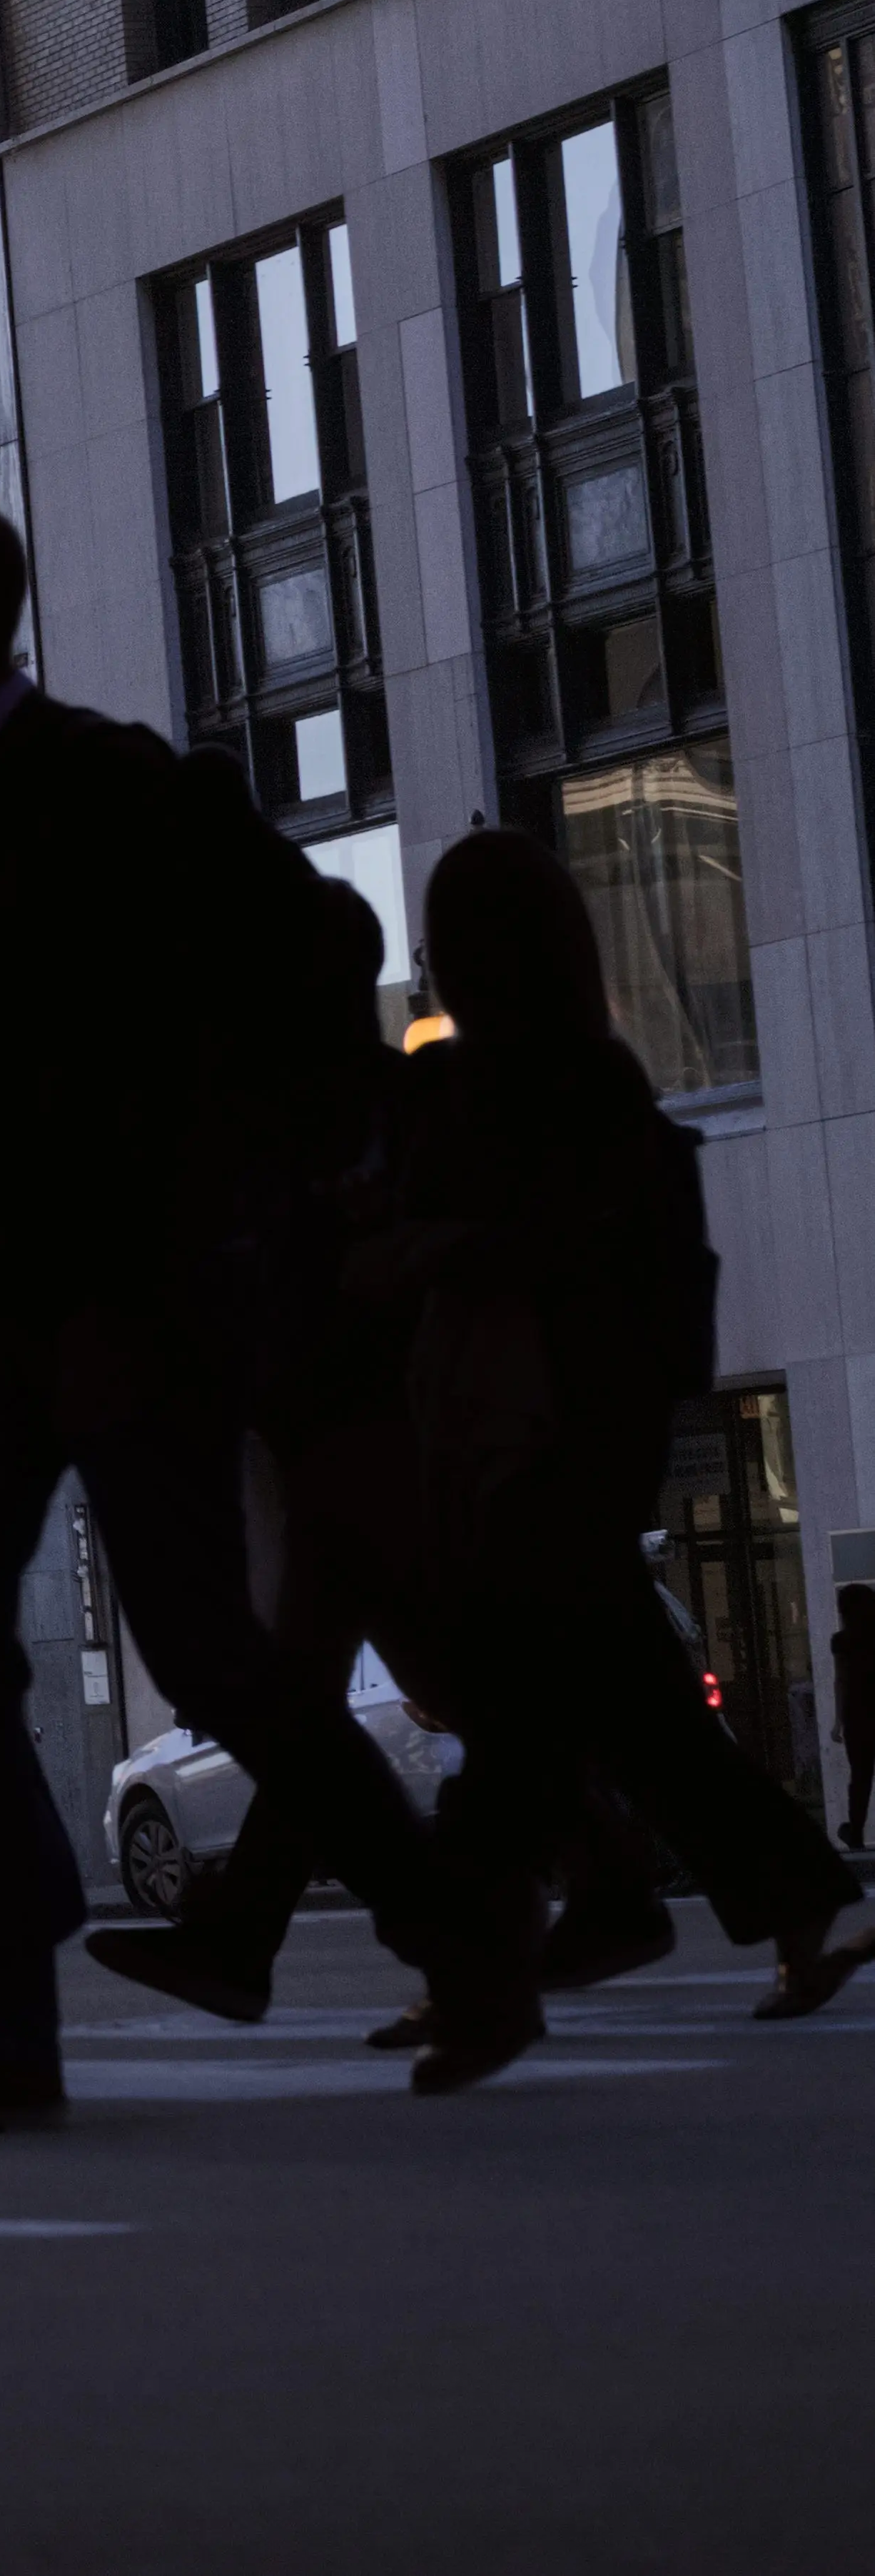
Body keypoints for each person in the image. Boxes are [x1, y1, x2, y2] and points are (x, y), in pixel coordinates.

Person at [0, 497, 531, 2140]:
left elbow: (285, 971)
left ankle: (459, 1931)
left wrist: (179, 1258)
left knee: (203, 1650)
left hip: (125, 1305)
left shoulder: (98, 784)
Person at [378, 827, 865, 2022]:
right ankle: (784, 1904)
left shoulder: (527, 1089)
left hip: (539, 1432)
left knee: (521, 1700)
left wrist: (429, 1247)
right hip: (584, 1429)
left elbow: (534, 1248)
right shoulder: (584, 1079)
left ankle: (485, 1952)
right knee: (632, 1710)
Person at [836, 1584, 875, 1853]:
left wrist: (837, 1722)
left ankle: (856, 1834)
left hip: (856, 1717)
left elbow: (841, 1682)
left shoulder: (842, 1641)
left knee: (860, 1778)